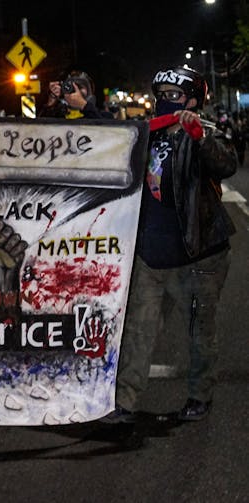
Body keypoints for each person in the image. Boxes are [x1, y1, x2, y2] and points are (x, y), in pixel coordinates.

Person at [102, 65, 237, 424]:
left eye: (174, 96)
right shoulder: (144, 133)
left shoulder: (203, 131)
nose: (165, 101)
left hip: (199, 254)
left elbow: (226, 164)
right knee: (137, 331)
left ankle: (199, 396)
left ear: (193, 100)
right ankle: (124, 403)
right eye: (161, 94)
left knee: (199, 333)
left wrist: (200, 138)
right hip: (151, 253)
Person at [39, 70, 113, 119]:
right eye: (72, 87)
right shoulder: (57, 116)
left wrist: (84, 106)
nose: (76, 91)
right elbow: (39, 131)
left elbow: (106, 133)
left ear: (90, 91)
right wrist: (51, 102)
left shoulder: (105, 116)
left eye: (80, 87)